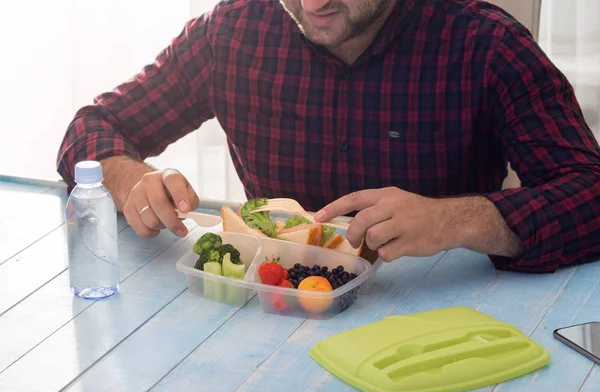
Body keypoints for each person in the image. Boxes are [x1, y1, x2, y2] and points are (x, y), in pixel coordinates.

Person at [56, 0, 600, 273]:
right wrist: (134, 178)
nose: (313, 3)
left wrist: (453, 220)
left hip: (435, 315)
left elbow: (590, 191)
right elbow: (93, 128)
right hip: (266, 309)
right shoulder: (231, 33)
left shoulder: (487, 44)